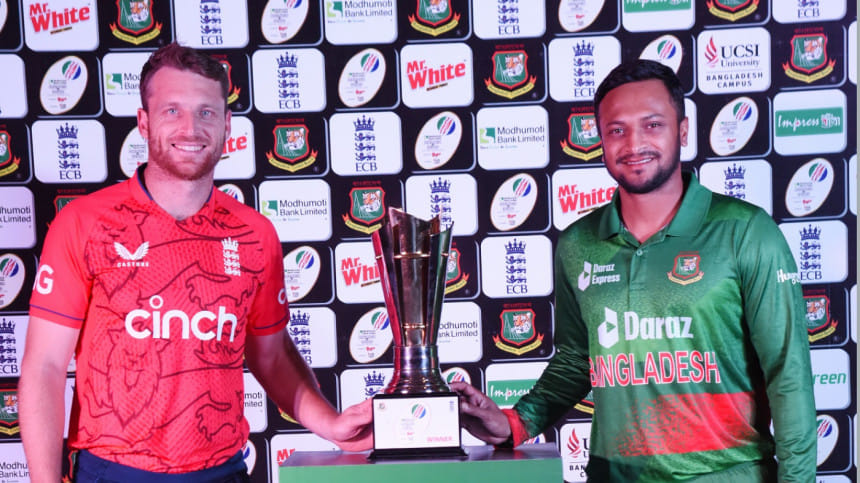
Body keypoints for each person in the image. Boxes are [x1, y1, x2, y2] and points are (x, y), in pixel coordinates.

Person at [19, 42, 372, 482]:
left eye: (206, 112)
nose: (190, 128)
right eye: (172, 111)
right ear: (144, 122)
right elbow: (45, 367)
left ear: (226, 124)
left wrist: (332, 425)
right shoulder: (84, 223)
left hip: (222, 471)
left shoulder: (255, 233)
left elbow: (273, 355)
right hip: (113, 471)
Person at [451, 59, 816, 481]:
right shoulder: (579, 244)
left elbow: (788, 374)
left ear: (682, 131)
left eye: (653, 125)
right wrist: (515, 423)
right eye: (616, 130)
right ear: (600, 140)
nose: (634, 143)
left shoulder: (745, 231)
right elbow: (577, 361)